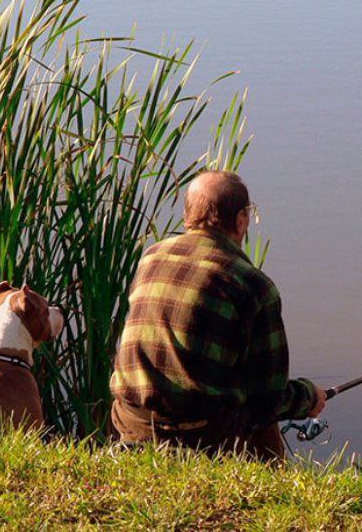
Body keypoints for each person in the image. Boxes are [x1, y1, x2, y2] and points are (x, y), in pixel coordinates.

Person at [109, 170, 326, 459]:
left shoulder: (151, 257)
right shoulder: (255, 286)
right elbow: (268, 398)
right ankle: (268, 492)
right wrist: (309, 397)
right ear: (240, 220)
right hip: (199, 434)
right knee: (261, 417)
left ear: (188, 216)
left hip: (132, 420)